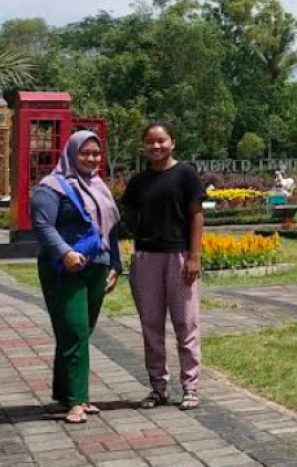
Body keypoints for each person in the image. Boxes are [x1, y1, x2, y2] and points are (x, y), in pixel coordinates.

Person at [30, 130, 122, 424]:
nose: (91, 158)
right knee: (75, 331)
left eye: (96, 153)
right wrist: (64, 252)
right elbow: (43, 226)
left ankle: (63, 393)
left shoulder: (99, 187)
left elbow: (110, 229)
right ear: (71, 153)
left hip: (97, 267)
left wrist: (115, 266)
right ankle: (78, 400)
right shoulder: (51, 187)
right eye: (85, 152)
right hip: (64, 270)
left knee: (78, 332)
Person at [121, 122, 204, 410]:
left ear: (172, 142)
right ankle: (158, 387)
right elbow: (126, 218)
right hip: (146, 258)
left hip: (179, 256)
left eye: (161, 141)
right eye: (150, 142)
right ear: (143, 146)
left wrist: (194, 256)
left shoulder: (186, 175)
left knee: (186, 323)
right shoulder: (138, 182)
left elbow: (196, 216)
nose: (156, 146)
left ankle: (190, 387)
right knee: (151, 325)